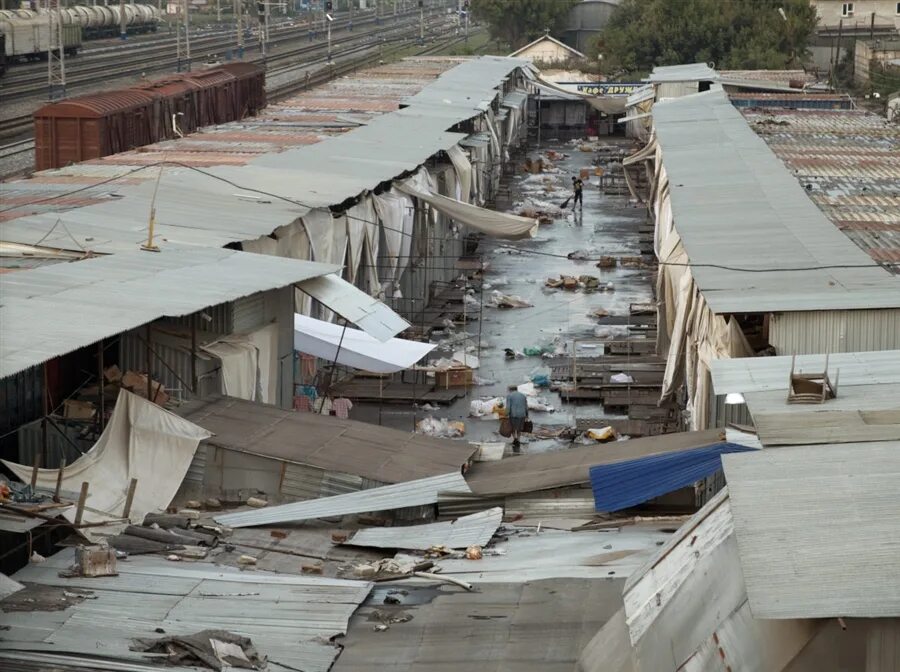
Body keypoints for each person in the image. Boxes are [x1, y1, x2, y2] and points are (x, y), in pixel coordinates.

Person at [504, 385, 529, 451]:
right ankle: (518, 439)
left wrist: (506, 414)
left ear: (510, 389)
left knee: (512, 428)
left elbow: (508, 407)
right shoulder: (523, 396)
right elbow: (526, 406)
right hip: (522, 414)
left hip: (514, 414)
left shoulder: (509, 396)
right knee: (519, 428)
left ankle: (515, 439)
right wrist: (527, 415)